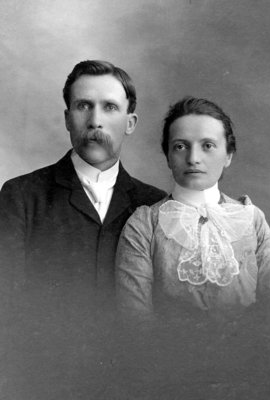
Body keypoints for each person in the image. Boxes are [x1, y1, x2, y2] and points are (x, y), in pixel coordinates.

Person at [0, 60, 166, 318]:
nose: (95, 121)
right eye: (83, 106)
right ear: (67, 119)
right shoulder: (22, 196)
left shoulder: (155, 204)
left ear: (130, 123)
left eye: (110, 107)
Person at [115, 96, 270, 320]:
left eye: (207, 146)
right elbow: (134, 319)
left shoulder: (251, 218)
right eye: (180, 146)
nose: (193, 158)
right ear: (168, 156)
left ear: (228, 155)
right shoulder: (145, 224)